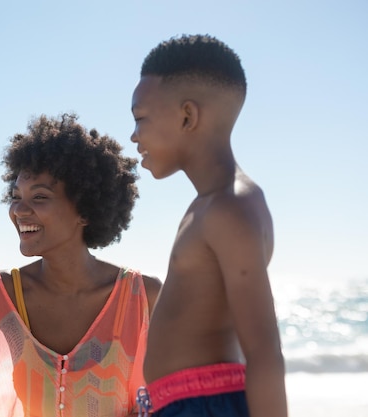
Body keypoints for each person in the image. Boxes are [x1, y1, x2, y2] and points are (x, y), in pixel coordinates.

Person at [0, 113, 162, 417]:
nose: (18, 210)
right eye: (15, 197)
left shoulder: (142, 297)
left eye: (39, 197)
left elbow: (175, 398)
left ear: (85, 209)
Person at [130, 35, 287, 417]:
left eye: (140, 119)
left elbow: (264, 352)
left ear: (187, 116)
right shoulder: (204, 208)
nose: (134, 136)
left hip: (207, 407)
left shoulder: (230, 208)